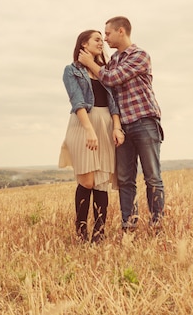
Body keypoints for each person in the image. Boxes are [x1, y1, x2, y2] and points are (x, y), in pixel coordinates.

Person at [78, 16, 165, 232]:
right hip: (122, 127)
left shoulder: (139, 56)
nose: (105, 38)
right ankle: (129, 226)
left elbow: (112, 78)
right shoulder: (113, 60)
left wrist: (90, 63)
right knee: (126, 180)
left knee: (152, 177)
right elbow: (110, 93)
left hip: (144, 121)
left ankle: (157, 225)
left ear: (121, 31)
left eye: (107, 34)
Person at [59, 30, 124, 244]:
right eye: (97, 39)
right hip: (83, 124)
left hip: (105, 124)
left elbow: (114, 102)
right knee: (86, 181)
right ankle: (81, 232)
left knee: (102, 182)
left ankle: (99, 234)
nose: (102, 42)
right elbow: (77, 101)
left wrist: (116, 127)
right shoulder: (71, 71)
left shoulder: (106, 71)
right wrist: (89, 130)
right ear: (84, 44)